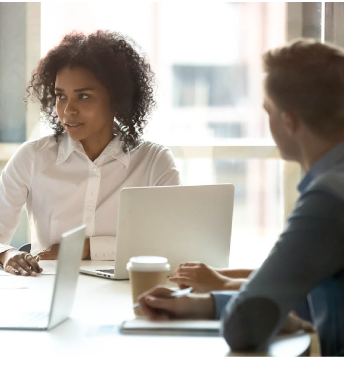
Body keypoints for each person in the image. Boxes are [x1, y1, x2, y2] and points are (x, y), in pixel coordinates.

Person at [136, 39, 344, 356]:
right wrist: (202, 304)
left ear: (288, 121)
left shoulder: (328, 199)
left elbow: (245, 326)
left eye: (268, 111)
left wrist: (272, 315)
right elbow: (304, 291)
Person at [0, 30, 181, 276]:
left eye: (84, 96)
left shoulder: (154, 162)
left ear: (116, 99)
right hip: (48, 292)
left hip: (126, 292)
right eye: (60, 96)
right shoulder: (32, 158)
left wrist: (85, 247)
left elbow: (171, 245)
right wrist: (8, 254)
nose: (68, 110)